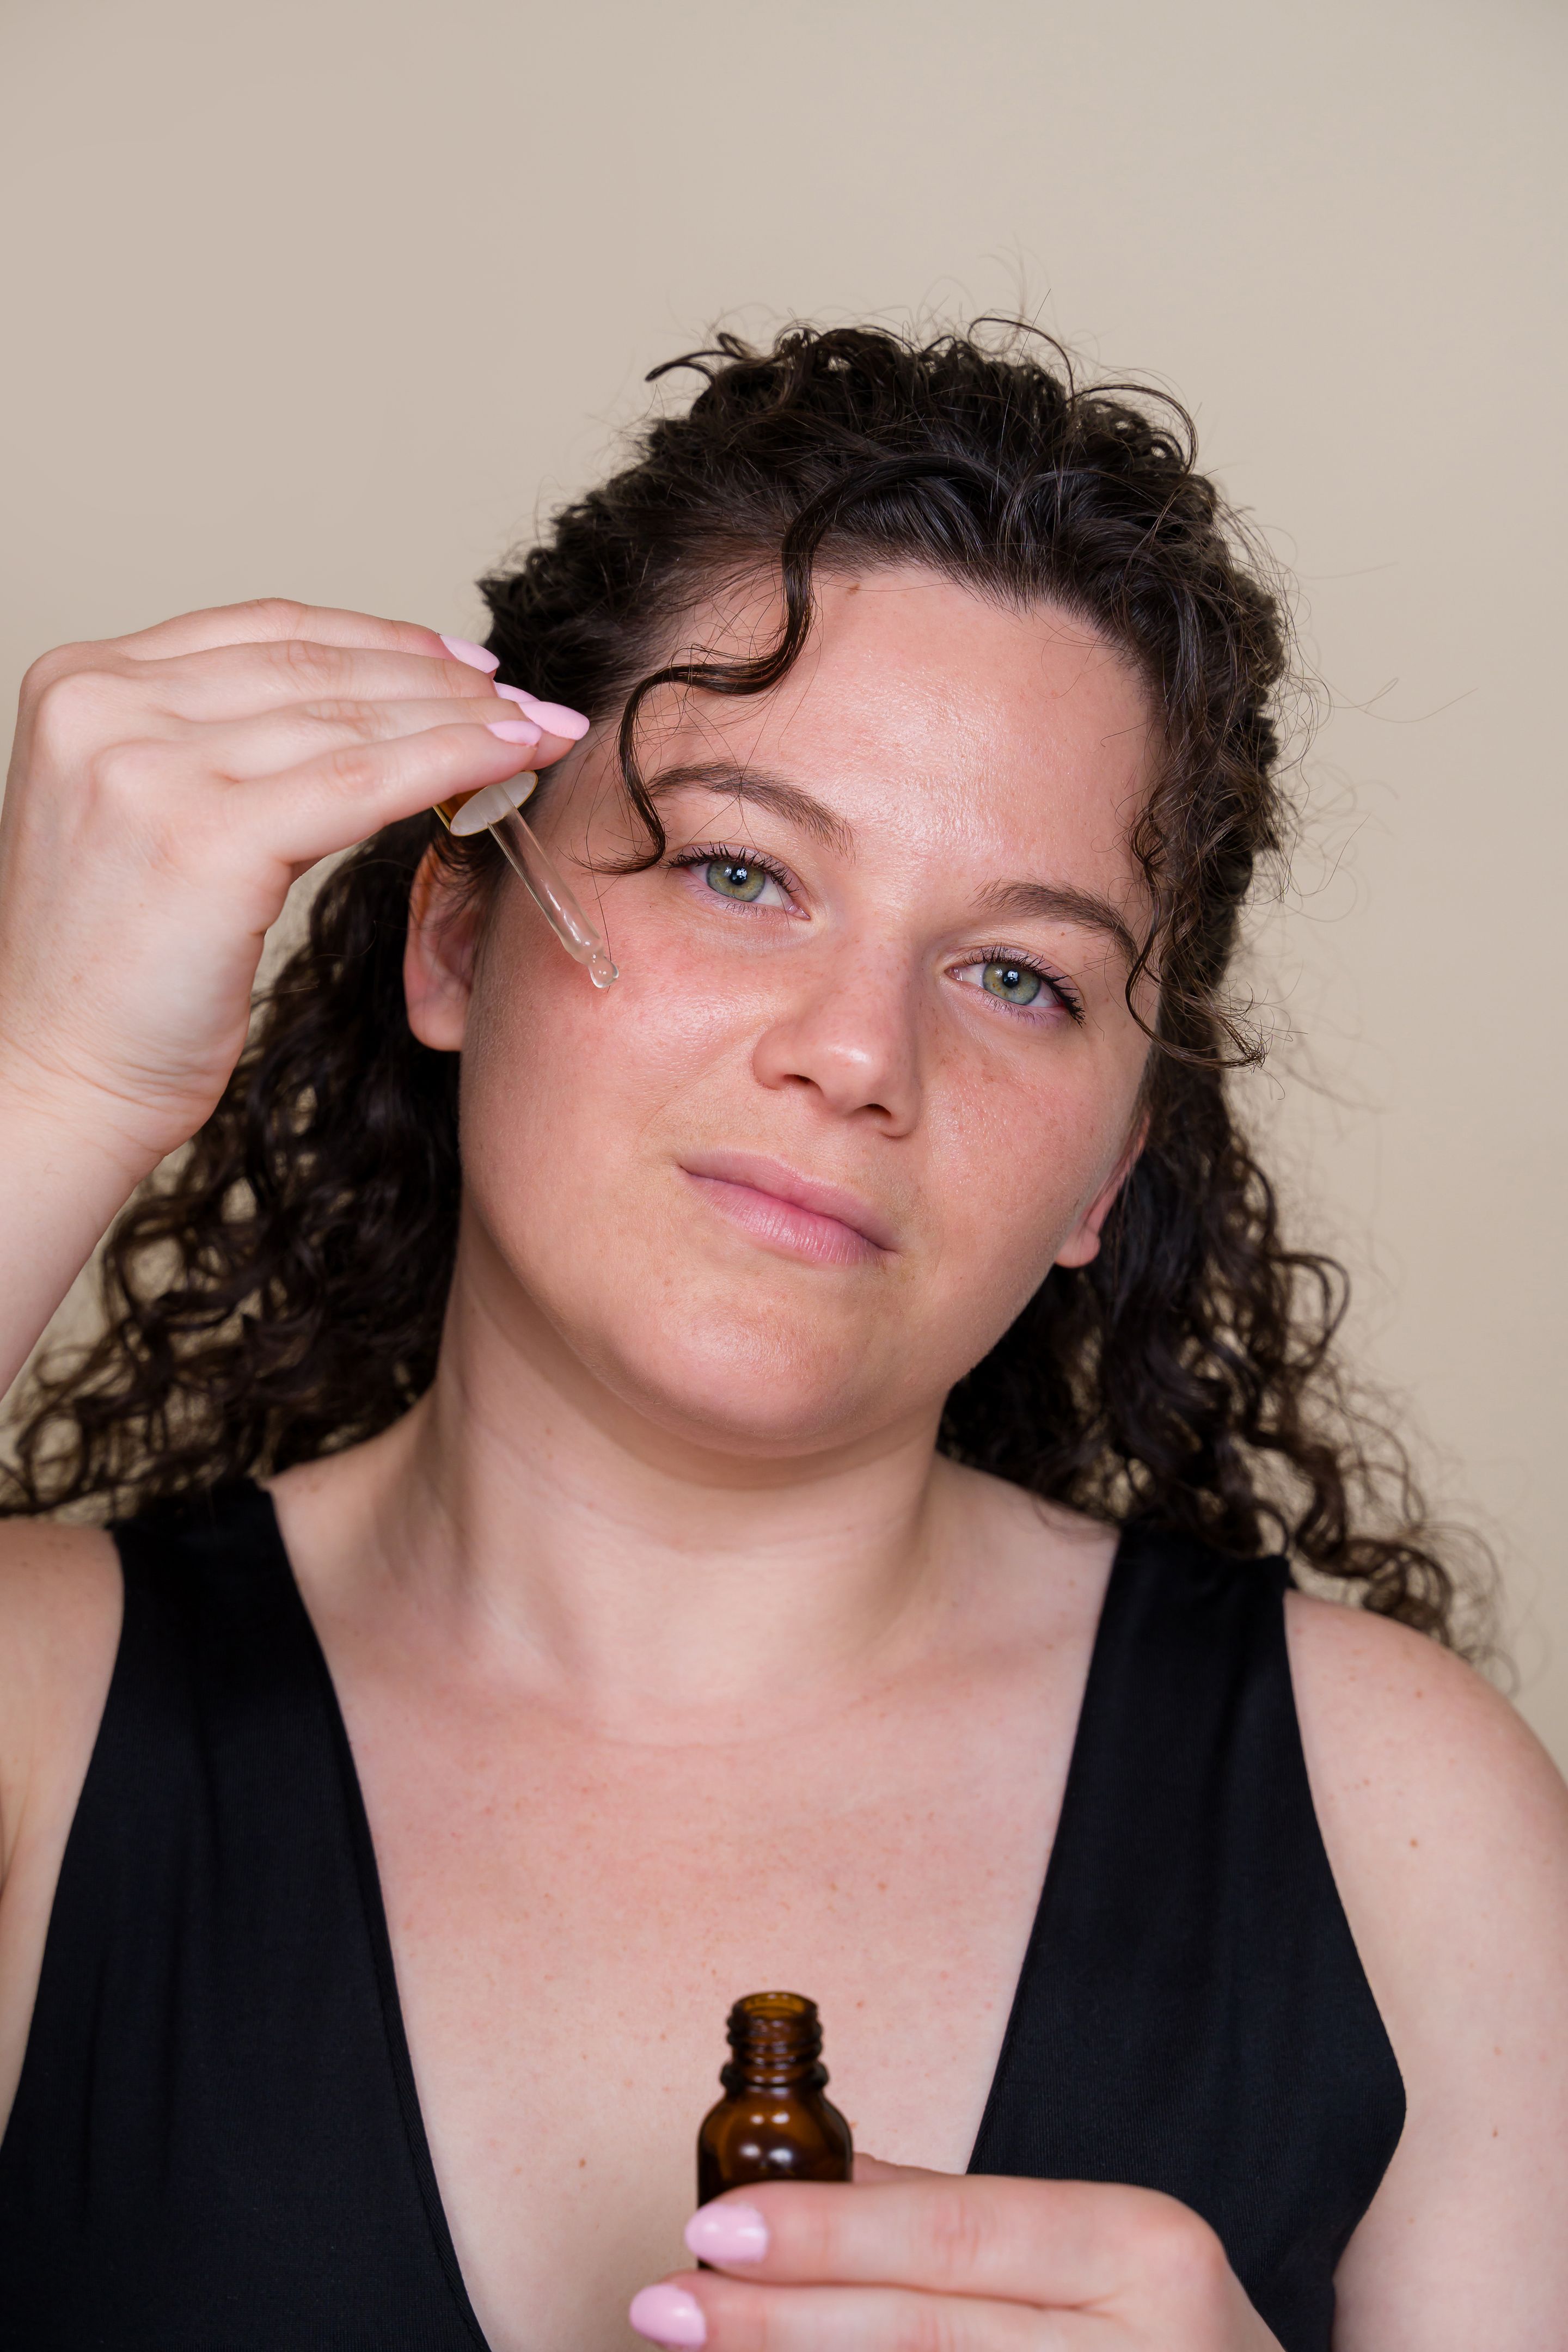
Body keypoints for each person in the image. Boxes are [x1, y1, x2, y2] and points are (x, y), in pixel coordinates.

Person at [0, 324, 1562, 2352]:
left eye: (1018, 976)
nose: (857, 1053)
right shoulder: (42, 1710)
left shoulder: (1408, 1823)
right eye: (742, 870)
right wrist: (51, 1082)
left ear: (1109, 1170)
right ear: (457, 933)